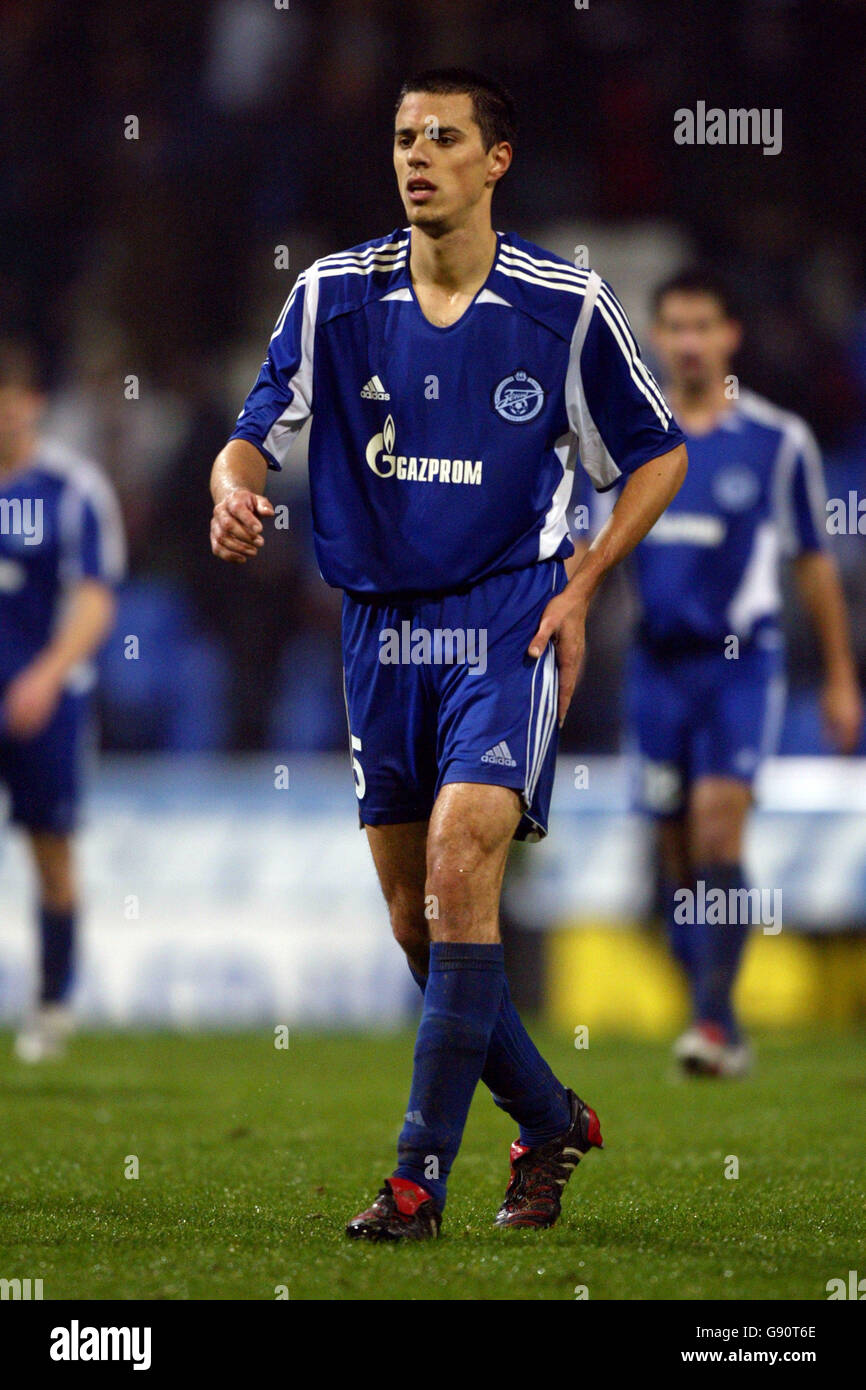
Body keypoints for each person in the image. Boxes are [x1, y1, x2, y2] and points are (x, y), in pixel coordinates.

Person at [210, 69, 687, 1240]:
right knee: (415, 919)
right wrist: (229, 491)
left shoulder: (563, 305)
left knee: (461, 853)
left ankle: (416, 1178)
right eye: (401, 138)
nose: (415, 156)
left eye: (442, 138)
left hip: (506, 615)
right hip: (379, 628)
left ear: (495, 161)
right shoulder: (331, 296)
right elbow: (250, 432)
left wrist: (580, 583)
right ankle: (545, 1116)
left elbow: (657, 454)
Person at [577, 269, 862, 1078]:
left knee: (715, 829)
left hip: (743, 667)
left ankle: (714, 1021)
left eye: (706, 325)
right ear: (659, 339)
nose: (692, 342)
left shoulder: (778, 442)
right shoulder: (628, 442)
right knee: (673, 851)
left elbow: (813, 563)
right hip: (657, 671)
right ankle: (702, 994)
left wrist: (841, 676)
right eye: (677, 326)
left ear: (730, 336)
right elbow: (588, 554)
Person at [0, 340, 125, 1060]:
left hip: (46, 698)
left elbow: (95, 597)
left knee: (50, 850)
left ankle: (50, 1006)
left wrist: (45, 676)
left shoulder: (70, 490)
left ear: (34, 405)